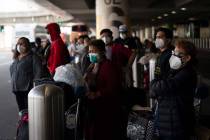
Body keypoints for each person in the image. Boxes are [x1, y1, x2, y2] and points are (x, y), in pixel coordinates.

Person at [150, 40, 197, 140]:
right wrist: (155, 87)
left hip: (176, 125)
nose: (174, 56)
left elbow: (163, 86)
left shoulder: (186, 73)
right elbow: (156, 89)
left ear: (188, 58)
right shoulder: (175, 71)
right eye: (174, 53)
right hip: (168, 123)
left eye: (178, 54)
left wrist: (154, 85)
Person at [84, 39, 123, 140]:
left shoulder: (108, 66)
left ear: (102, 52)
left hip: (107, 108)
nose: (91, 54)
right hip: (95, 107)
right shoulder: (93, 66)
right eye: (90, 51)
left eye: (94, 51)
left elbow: (113, 87)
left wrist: (97, 94)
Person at [10, 37, 43, 112]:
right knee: (21, 110)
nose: (19, 45)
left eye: (22, 43)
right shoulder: (16, 57)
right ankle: (23, 122)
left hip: (27, 89)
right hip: (16, 88)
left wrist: (33, 87)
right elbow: (13, 71)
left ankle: (29, 122)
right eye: (18, 43)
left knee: (29, 110)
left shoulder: (33, 57)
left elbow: (38, 73)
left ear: (27, 45)